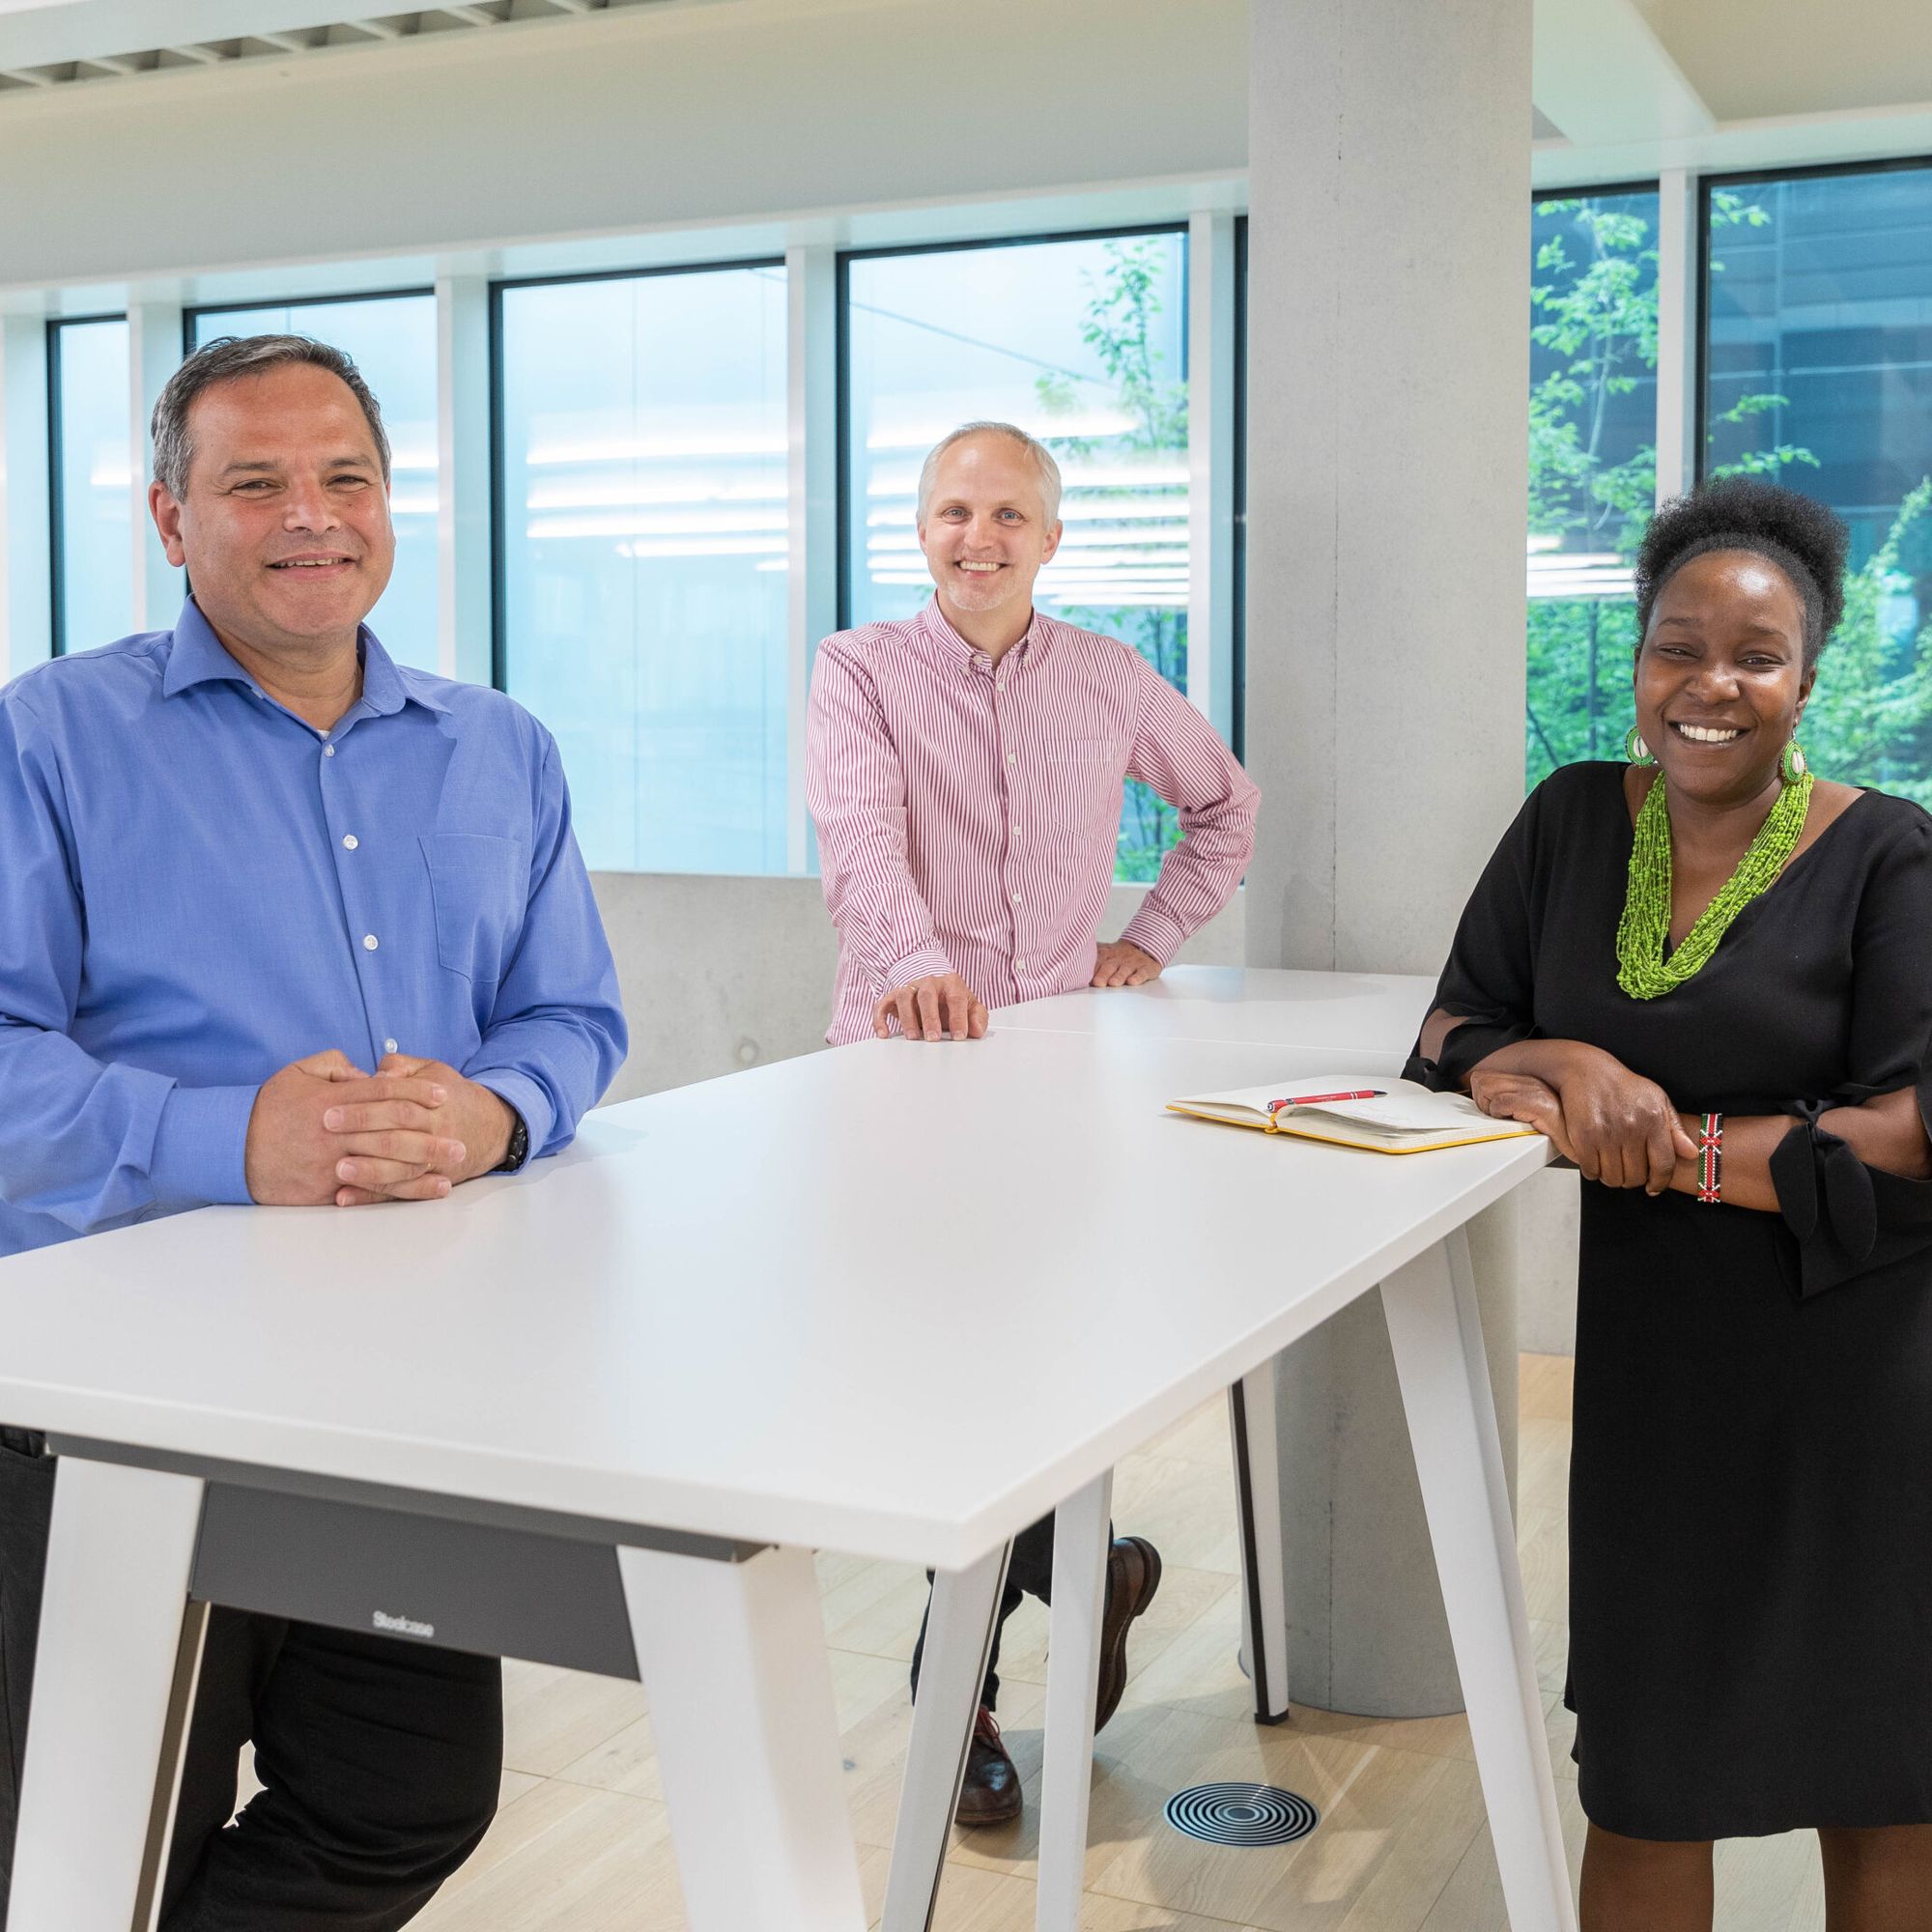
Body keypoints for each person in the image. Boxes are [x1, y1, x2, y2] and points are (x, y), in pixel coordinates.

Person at [0, 334, 627, 1929]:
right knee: (88, 1835)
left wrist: (496, 1113)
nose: (311, 515)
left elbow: (573, 1019)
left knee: (405, 1796)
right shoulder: (48, 739)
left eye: (345, 475)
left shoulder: (501, 747)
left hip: (398, 1393)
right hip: (114, 1397)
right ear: (169, 516)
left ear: (390, 503)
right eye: (253, 480)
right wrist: (224, 1139)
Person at [1408, 476, 1932, 1931]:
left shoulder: (1889, 852)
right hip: (1654, 1378)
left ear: (1805, 679)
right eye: (1674, 647)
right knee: (1648, 1765)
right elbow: (1451, 1032)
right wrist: (1560, 1058)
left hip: (1861, 1377)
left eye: (1753, 655)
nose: (1710, 684)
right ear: (1637, 660)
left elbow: (1912, 1130)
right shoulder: (1574, 820)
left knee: (1883, 1771)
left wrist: (1677, 1148)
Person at [805, 420, 1259, 1823]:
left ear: (1050, 539)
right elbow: (858, 835)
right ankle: (1093, 1567)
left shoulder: (1112, 678)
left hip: (1061, 1090)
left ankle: (965, 1706)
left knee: (1023, 1393)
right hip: (899, 1083)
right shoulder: (859, 671)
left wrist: (1147, 941)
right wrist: (919, 958)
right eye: (953, 510)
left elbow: (1224, 814)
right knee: (929, 1403)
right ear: (921, 530)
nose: (977, 535)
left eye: (1008, 513)